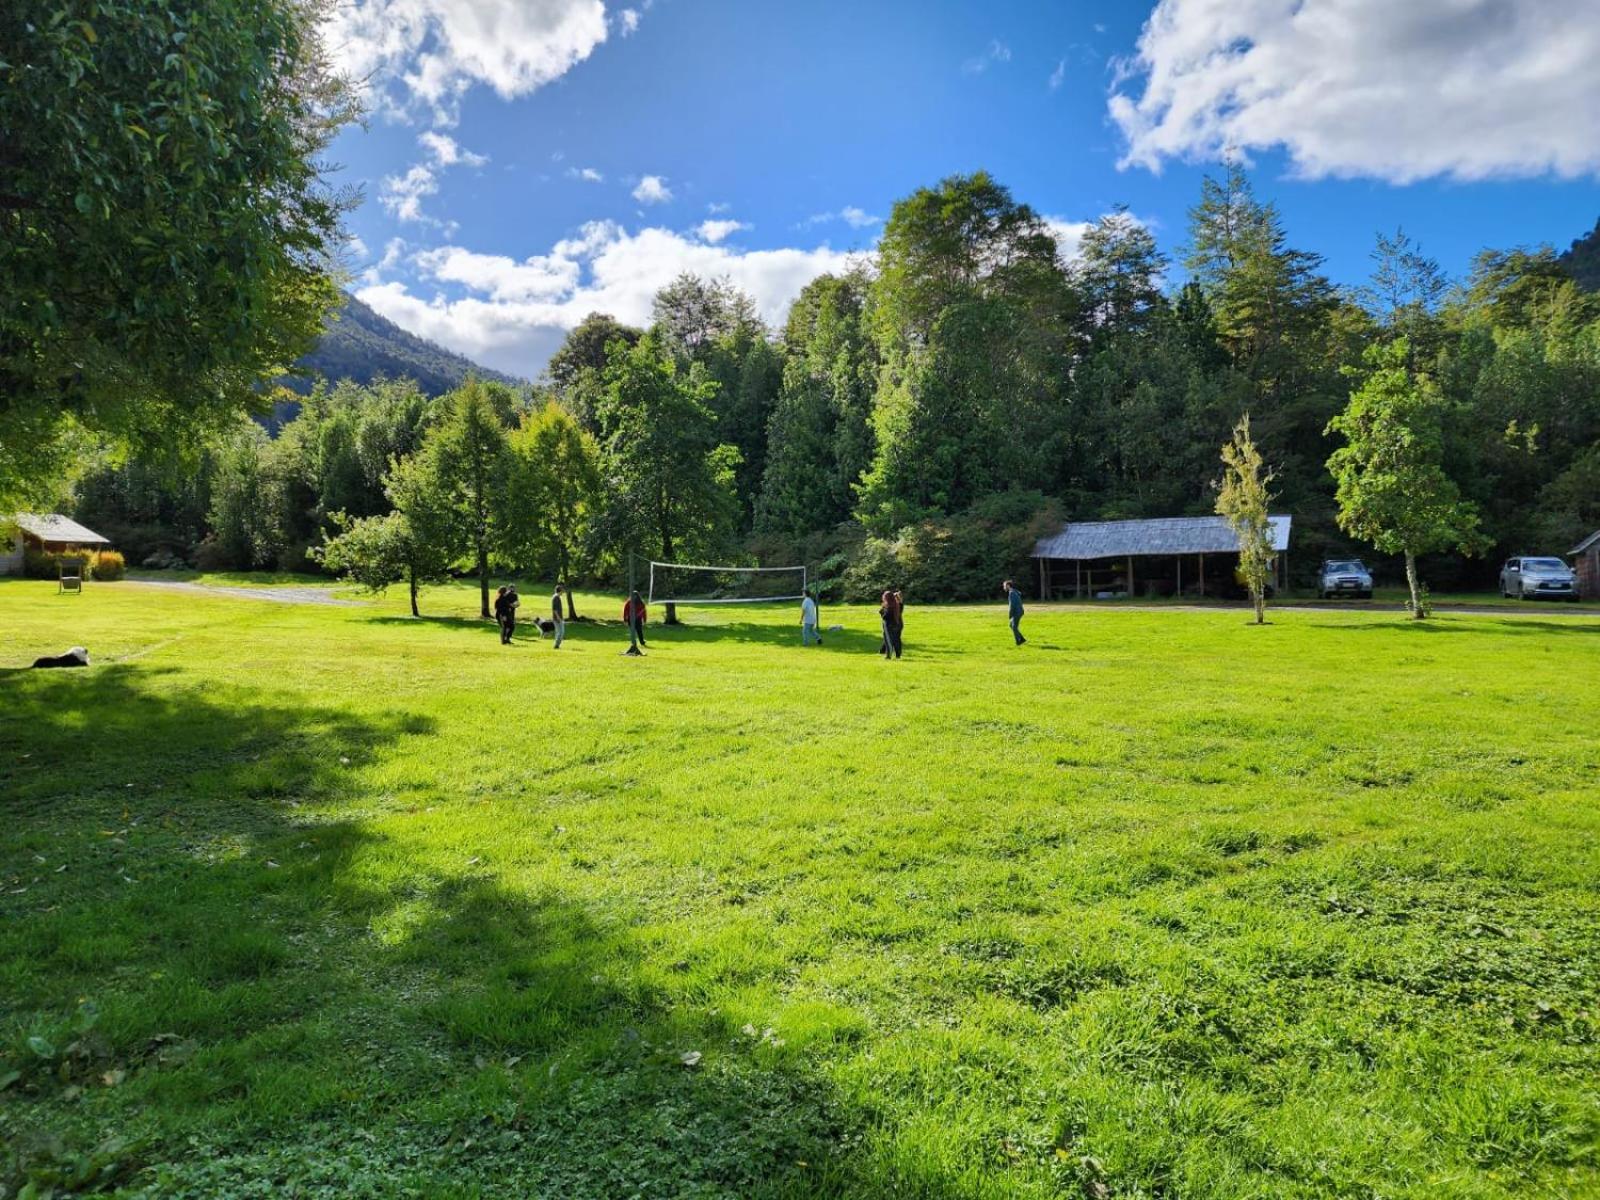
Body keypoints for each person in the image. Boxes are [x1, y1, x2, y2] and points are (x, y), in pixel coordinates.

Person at [1003, 578, 1026, 645]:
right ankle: (1022, 639)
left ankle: (1018, 641)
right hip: (1019, 611)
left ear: (1008, 586)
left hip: (1017, 612)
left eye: (1004, 586)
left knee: (1014, 627)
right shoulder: (1014, 591)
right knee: (1011, 625)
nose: (1004, 587)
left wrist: (1010, 614)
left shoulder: (1011, 593)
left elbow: (1012, 605)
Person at [550, 582, 566, 649]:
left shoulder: (556, 597)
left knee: (559, 631)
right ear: (560, 591)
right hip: (557, 618)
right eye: (562, 591)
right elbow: (555, 609)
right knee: (561, 632)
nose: (563, 592)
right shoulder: (556, 597)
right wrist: (558, 618)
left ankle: (557, 645)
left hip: (558, 617)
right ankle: (556, 645)